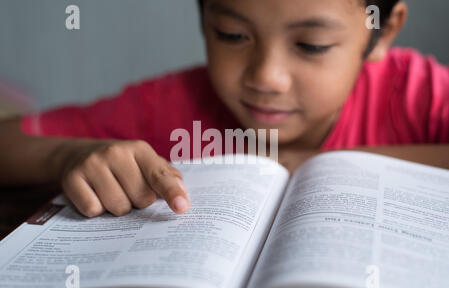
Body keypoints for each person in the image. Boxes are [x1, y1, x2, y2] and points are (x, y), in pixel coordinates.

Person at [0, 0, 448, 218]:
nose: (266, 77)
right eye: (232, 34)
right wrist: (67, 157)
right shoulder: (168, 104)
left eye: (311, 45)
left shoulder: (415, 90)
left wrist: (313, 164)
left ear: (383, 32)